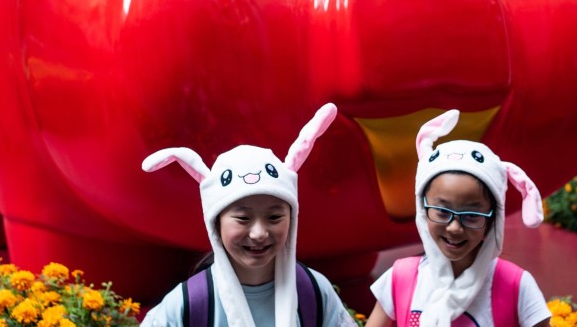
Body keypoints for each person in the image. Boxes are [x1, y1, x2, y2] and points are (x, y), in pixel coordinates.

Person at [140, 103, 357, 327]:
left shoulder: (314, 293)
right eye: (243, 218)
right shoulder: (188, 305)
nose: (259, 233)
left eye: (274, 217)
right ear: (216, 222)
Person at [365, 110, 551, 327]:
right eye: (442, 212)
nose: (454, 228)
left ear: (493, 219)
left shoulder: (516, 286)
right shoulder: (400, 277)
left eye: (472, 216)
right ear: (423, 209)